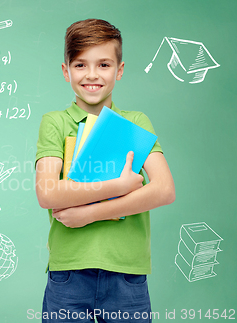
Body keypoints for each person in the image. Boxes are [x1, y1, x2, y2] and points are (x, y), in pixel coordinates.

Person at [35, 19, 176, 323]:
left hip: (127, 274)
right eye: (80, 65)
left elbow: (164, 190)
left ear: (119, 70)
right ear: (66, 71)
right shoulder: (56, 122)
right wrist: (122, 185)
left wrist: (87, 213)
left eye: (104, 64)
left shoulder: (136, 121)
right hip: (69, 273)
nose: (92, 75)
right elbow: (47, 193)